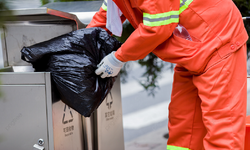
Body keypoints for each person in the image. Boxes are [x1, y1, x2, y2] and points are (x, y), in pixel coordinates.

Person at [87, 0, 249, 149]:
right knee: (184, 129)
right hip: (192, 49)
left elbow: (158, 27)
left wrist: (118, 58)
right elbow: (106, 15)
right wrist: (79, 49)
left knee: (223, 131)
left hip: (219, 44)